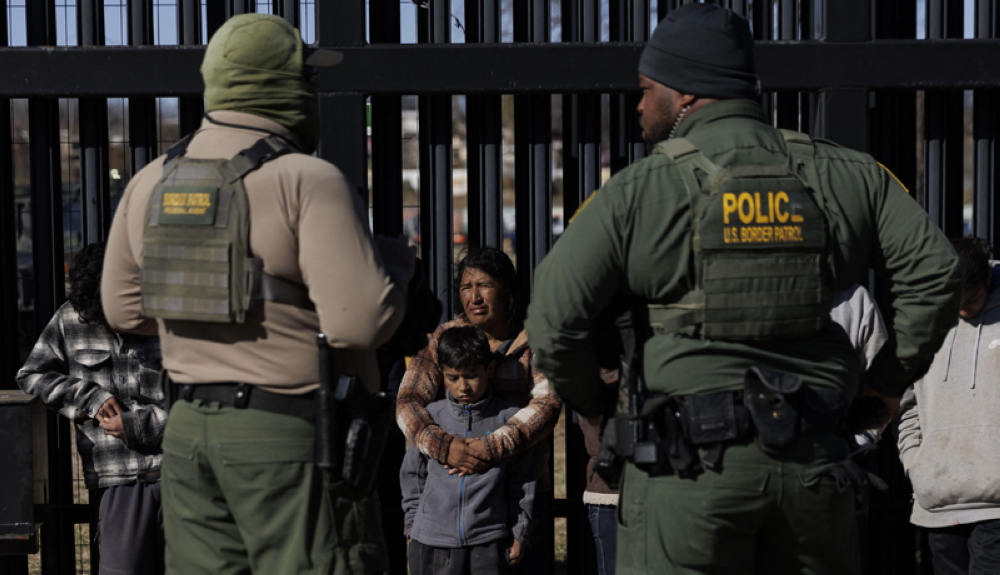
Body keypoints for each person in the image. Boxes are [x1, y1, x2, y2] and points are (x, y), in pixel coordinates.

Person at [524, 4, 961, 574]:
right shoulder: (847, 174)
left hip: (686, 478)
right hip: (814, 466)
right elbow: (937, 274)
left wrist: (599, 408)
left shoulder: (641, 191)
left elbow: (554, 320)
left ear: (685, 93)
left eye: (645, 88)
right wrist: (882, 386)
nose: (637, 104)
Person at [100, 14, 415, 575]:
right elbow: (359, 324)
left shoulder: (152, 179)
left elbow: (122, 309)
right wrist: (395, 272)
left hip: (189, 433)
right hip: (288, 436)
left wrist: (213, 305)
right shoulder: (305, 178)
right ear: (284, 85)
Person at [396, 247, 561, 572]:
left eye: (484, 285)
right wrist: (445, 447)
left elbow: (546, 404)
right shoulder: (445, 339)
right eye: (465, 287)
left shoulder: (535, 339)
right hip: (446, 506)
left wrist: (489, 447)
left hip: (516, 494)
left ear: (506, 289)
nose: (475, 297)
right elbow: (409, 401)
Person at [18, 243, 165, 575]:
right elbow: (31, 375)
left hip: (180, 473)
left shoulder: (169, 318)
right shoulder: (71, 317)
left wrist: (143, 425)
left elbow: (201, 398)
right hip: (116, 482)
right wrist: (89, 397)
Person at [898, 236, 1000, 574]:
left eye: (970, 299)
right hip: (937, 499)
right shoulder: (925, 319)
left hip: (995, 504)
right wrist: (914, 464)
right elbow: (907, 403)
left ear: (987, 278)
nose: (962, 310)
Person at [401, 326, 537, 575]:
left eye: (472, 375)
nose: (463, 387)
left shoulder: (510, 419)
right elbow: (413, 475)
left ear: (489, 370)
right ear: (442, 375)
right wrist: (413, 526)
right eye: (453, 378)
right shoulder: (431, 418)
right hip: (431, 542)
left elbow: (523, 483)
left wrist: (519, 533)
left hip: (488, 542)